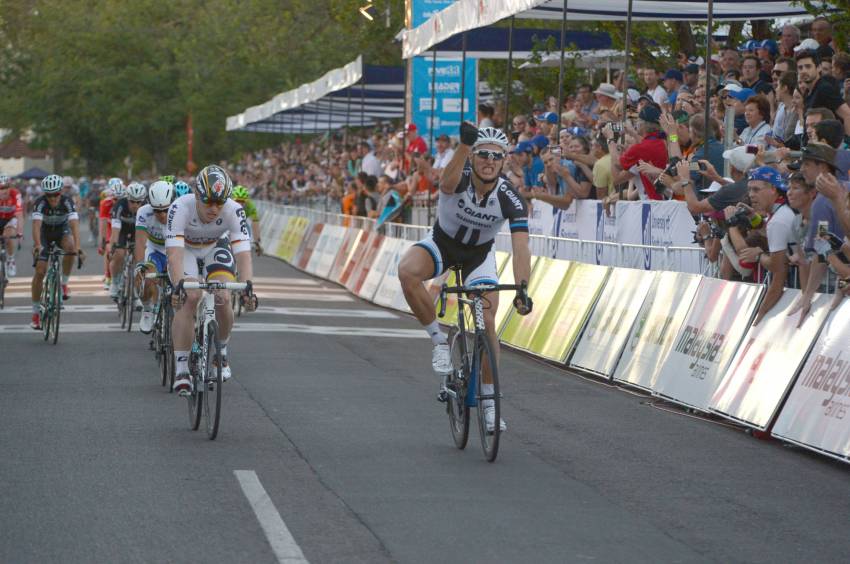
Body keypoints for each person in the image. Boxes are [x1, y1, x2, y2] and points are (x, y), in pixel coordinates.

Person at [397, 123, 532, 433]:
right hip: (442, 244)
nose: (489, 161)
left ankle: (489, 403)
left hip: (478, 257)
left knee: (487, 319)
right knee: (407, 271)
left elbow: (521, 247)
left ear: (504, 161)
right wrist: (463, 145)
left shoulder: (510, 197)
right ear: (472, 157)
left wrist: (523, 288)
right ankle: (439, 342)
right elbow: (445, 184)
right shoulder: (461, 177)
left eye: (496, 157)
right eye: (482, 154)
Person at [166, 165, 257, 394]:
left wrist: (247, 287)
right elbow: (174, 254)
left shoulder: (234, 210)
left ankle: (222, 352)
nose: (215, 209)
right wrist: (179, 287)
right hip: (185, 249)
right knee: (191, 295)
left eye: (220, 202)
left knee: (223, 296)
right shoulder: (179, 208)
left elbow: (244, 254)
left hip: (214, 248)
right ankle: (181, 368)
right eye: (209, 202)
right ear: (196, 194)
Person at [729, 167, 794, 324]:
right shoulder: (781, 210)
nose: (751, 194)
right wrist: (753, 216)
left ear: (773, 189)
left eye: (756, 189)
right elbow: (768, 230)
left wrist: (760, 314)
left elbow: (778, 271)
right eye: (749, 189)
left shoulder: (779, 219)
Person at [30, 175, 82, 329]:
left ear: (60, 192)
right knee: (40, 271)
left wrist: (78, 247)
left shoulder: (67, 201)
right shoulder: (40, 203)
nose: (53, 199)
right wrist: (38, 245)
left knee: (71, 248)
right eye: (49, 195)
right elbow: (36, 226)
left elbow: (74, 225)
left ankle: (64, 284)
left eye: (56, 194)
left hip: (61, 232)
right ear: (45, 194)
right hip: (44, 234)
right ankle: (35, 313)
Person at [133, 180, 174, 334]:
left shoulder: (180, 211)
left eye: (165, 210)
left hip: (173, 251)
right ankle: (147, 309)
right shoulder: (144, 212)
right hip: (154, 250)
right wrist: (139, 265)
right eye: (157, 210)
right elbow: (140, 241)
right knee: (146, 277)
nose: (162, 215)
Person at [607, 105, 669, 200]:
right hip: (662, 199)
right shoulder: (662, 141)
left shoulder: (641, 148)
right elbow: (646, 144)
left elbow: (617, 168)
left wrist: (610, 139)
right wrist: (632, 133)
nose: (635, 124)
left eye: (637, 121)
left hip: (654, 202)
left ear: (643, 124)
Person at [108, 182, 147, 302]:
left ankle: (135, 291)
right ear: (127, 199)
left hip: (137, 231)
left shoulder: (146, 207)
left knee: (139, 258)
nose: (135, 205)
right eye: (132, 201)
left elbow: (148, 229)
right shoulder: (120, 205)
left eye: (138, 202)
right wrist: (113, 246)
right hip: (122, 231)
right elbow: (115, 229)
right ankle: (114, 282)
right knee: (119, 254)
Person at [797, 49, 850, 135]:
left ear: (818, 68)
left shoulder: (824, 88)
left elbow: (847, 115)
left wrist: (847, 145)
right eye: (800, 68)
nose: (803, 71)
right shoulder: (808, 91)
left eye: (808, 66)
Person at [98, 178, 122, 288]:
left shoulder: (129, 203)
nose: (117, 202)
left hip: (124, 227)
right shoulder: (105, 203)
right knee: (109, 249)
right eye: (115, 199)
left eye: (120, 199)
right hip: (110, 227)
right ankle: (108, 275)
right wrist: (102, 242)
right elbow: (102, 224)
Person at [0, 175, 24, 276]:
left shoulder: (16, 194)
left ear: (10, 187)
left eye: (6, 187)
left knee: (8, 236)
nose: (3, 191)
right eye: (1, 188)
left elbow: (19, 215)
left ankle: (10, 260)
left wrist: (20, 233)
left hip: (11, 218)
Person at [232, 185, 263, 254]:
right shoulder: (226, 203)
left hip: (242, 222)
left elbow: (255, 225)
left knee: (246, 234)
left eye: (242, 202)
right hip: (229, 220)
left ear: (246, 201)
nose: (240, 204)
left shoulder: (251, 206)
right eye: (237, 201)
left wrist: (257, 242)